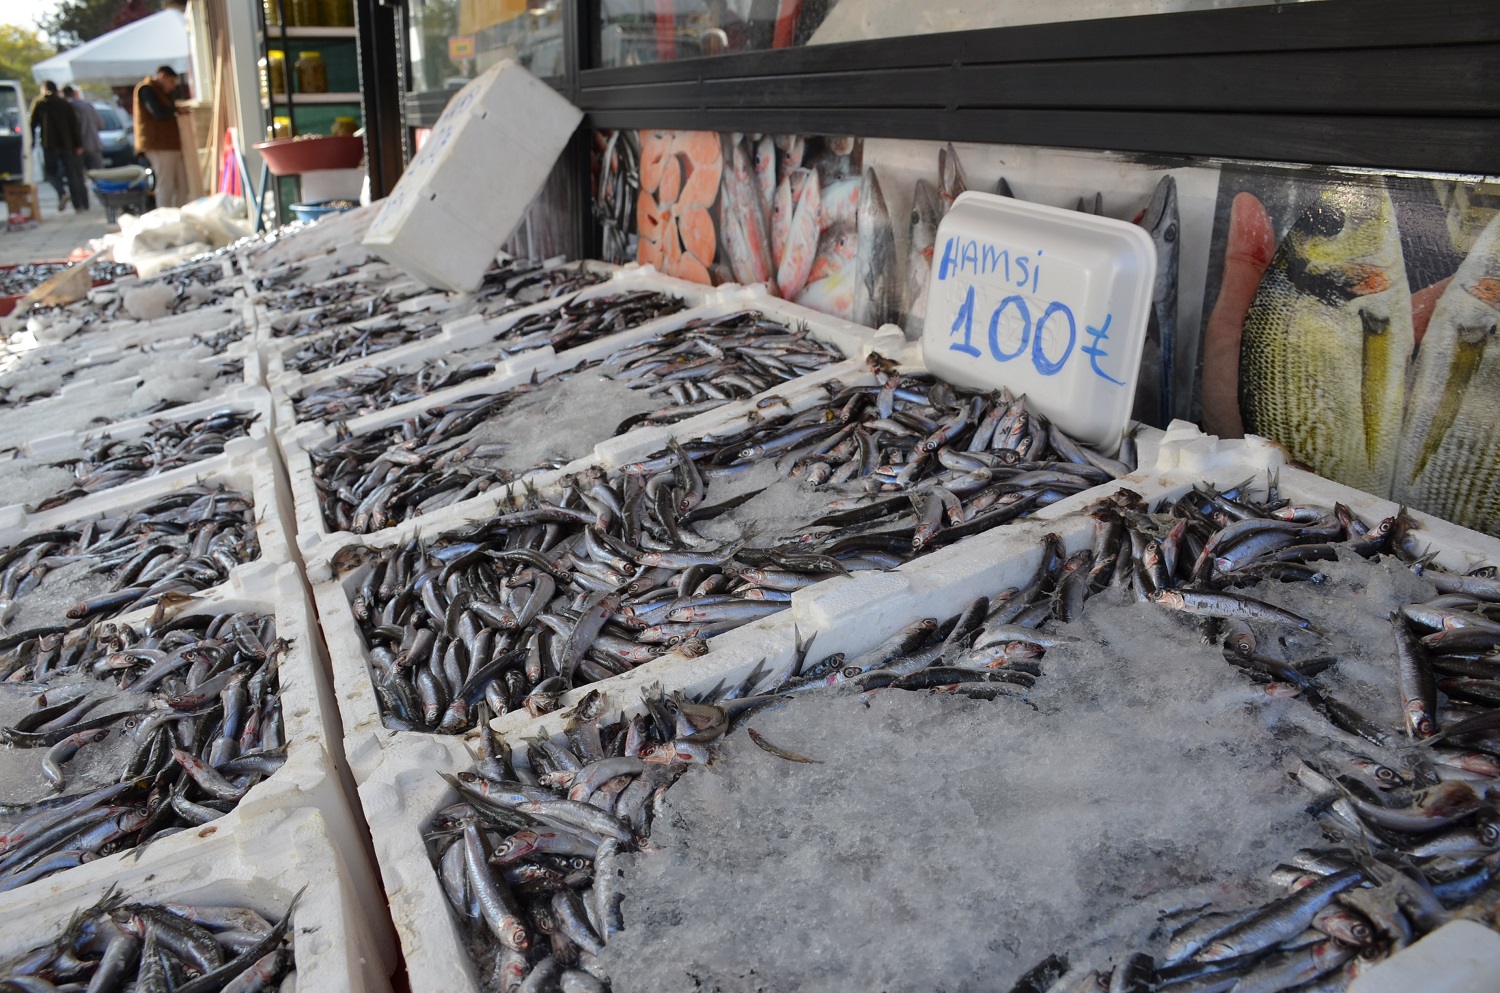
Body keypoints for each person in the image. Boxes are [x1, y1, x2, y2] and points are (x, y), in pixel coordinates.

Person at [28, 80, 88, 212]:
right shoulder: (64, 103)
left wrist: (31, 142)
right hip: (67, 144)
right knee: (71, 174)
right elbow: (75, 126)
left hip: (49, 144)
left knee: (50, 173)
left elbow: (31, 124)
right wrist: (78, 144)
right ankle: (78, 205)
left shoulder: (39, 103)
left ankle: (61, 192)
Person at [134, 65, 187, 209]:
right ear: (162, 76)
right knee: (166, 185)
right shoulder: (146, 89)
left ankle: (179, 217)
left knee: (181, 185)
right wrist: (176, 109)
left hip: (169, 145)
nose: (172, 86)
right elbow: (158, 113)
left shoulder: (160, 92)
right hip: (158, 145)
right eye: (171, 82)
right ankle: (165, 218)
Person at [63, 85, 105, 171]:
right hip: (94, 145)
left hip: (77, 148)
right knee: (99, 175)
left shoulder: (67, 107)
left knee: (80, 176)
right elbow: (100, 124)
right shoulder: (88, 106)